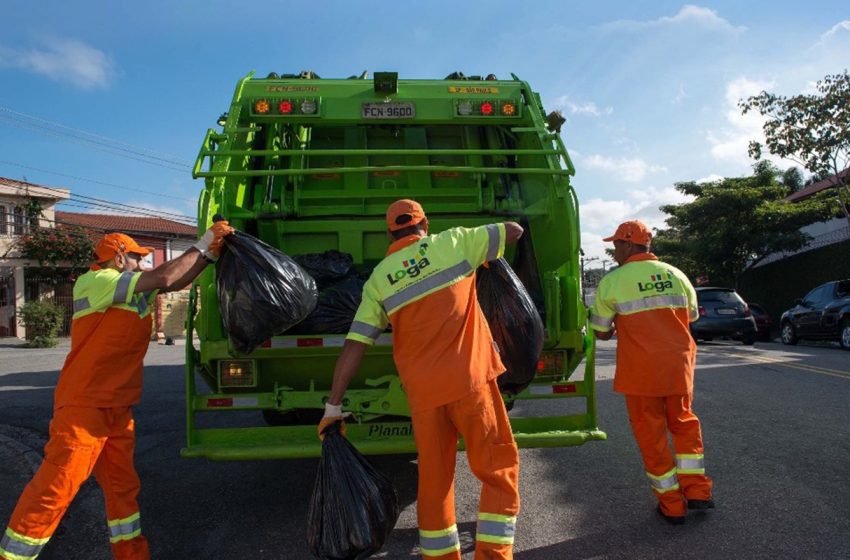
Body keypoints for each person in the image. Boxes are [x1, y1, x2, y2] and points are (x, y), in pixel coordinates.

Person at [0, 222, 234, 560]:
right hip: (84, 405)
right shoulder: (96, 281)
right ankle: (14, 556)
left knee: (123, 491)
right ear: (119, 257)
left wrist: (207, 257)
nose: (142, 263)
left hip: (116, 407)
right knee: (57, 486)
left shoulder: (131, 289)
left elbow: (175, 279)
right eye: (137, 258)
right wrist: (202, 244)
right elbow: (165, 277)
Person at [318, 199, 524, 560]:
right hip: (471, 383)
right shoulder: (454, 242)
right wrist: (483, 252)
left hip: (424, 395)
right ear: (424, 223)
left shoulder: (380, 278)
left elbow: (355, 344)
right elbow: (514, 231)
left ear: (389, 232)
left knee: (434, 478)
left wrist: (333, 405)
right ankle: (493, 554)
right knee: (496, 468)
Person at [589, 220, 714, 525]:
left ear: (629, 244)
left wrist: (621, 323)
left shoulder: (613, 281)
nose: (613, 250)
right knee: (684, 424)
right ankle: (697, 491)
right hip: (678, 367)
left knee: (652, 434)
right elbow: (692, 316)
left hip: (641, 372)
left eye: (616, 244)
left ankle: (672, 505)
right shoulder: (678, 275)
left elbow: (600, 332)